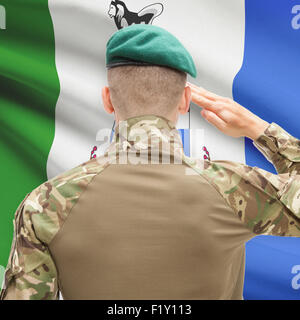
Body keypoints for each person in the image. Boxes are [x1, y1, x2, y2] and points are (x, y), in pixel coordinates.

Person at [1, 24, 300, 300]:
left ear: (107, 99)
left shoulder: (45, 204)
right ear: (185, 101)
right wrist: (259, 130)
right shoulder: (234, 188)